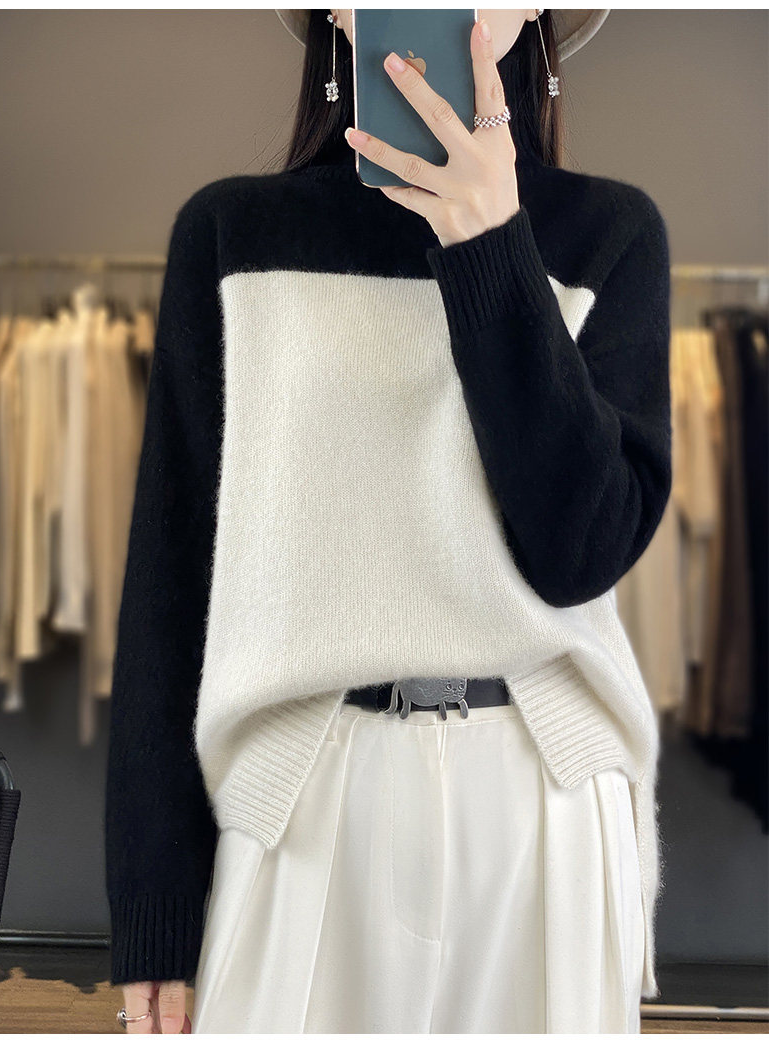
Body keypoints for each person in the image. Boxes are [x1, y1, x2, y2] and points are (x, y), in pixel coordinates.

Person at [105, 7, 673, 1034]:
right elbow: (170, 583)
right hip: (302, 791)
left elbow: (579, 550)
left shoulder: (611, 232)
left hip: (542, 795)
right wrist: (155, 910)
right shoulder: (232, 234)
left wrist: (491, 246)